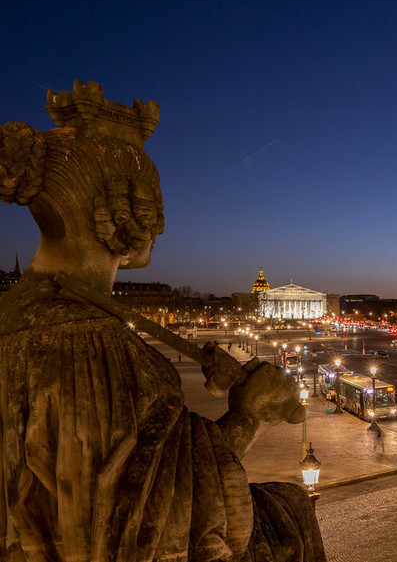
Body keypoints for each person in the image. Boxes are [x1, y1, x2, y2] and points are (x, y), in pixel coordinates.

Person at [0, 82, 325, 561]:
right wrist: (249, 415)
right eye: (156, 203)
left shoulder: (22, 315)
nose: (163, 225)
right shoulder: (91, 348)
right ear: (124, 213)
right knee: (289, 514)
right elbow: (158, 520)